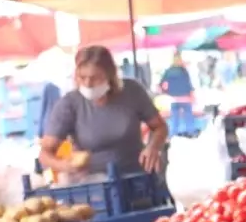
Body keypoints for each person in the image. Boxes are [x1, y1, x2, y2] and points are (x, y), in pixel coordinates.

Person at [40, 45, 168, 176]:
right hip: (91, 181)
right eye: (82, 77)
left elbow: (159, 127)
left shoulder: (132, 91)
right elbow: (45, 154)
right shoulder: (69, 104)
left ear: (110, 75)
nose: (88, 83)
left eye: (95, 77)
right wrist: (65, 166)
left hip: (135, 174)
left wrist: (153, 147)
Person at [159, 53, 195, 136]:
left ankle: (173, 136)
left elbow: (161, 84)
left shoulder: (168, 71)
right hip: (185, 98)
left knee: (174, 119)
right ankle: (191, 134)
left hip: (173, 98)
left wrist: (167, 92)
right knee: (188, 117)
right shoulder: (183, 71)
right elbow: (188, 84)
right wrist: (192, 95)